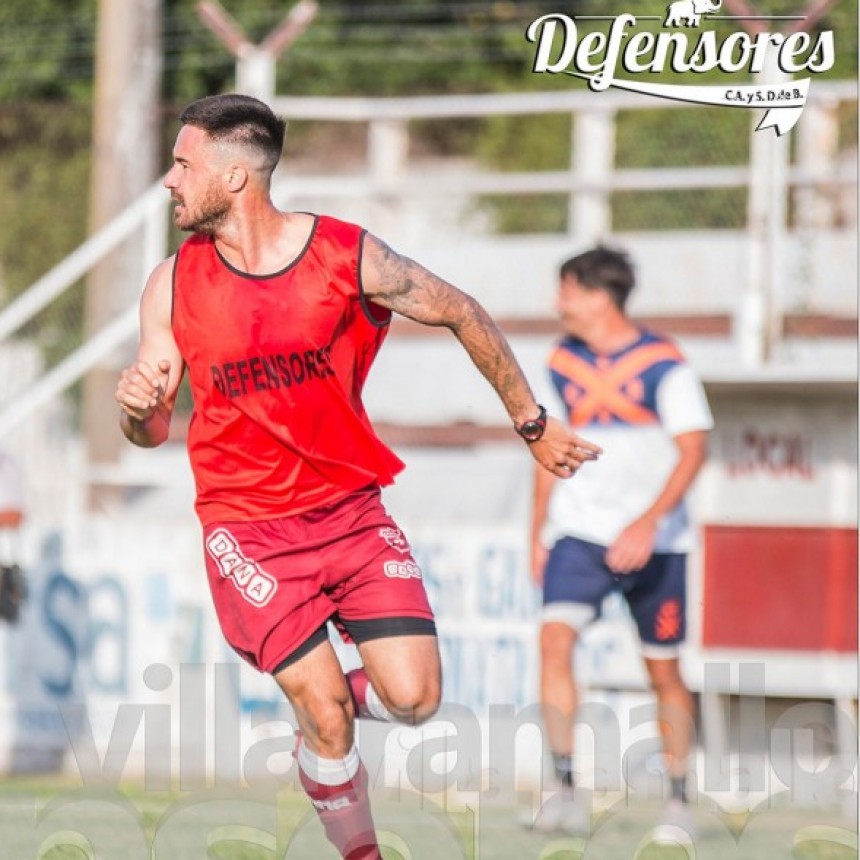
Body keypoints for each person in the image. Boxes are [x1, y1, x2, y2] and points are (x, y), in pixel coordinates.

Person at [115, 93, 601, 860]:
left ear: (236, 177)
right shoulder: (172, 283)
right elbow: (147, 431)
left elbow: (461, 310)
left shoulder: (343, 256)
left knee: (416, 698)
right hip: (247, 528)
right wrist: (138, 409)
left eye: (183, 164)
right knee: (328, 711)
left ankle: (323, 720)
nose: (170, 180)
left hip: (350, 514)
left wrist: (531, 422)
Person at [526, 246, 712, 844]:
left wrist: (648, 523)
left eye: (567, 291)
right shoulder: (561, 362)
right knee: (554, 641)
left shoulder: (665, 364)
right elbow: (546, 451)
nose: (558, 303)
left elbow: (693, 451)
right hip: (579, 535)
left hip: (657, 543)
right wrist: (538, 532)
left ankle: (678, 801)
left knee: (664, 671)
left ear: (598, 297)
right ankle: (564, 790)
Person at [0, 448, 26, 623]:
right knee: (10, 558)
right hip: (15, 513)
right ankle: (12, 599)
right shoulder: (9, 458)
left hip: (5, 511)